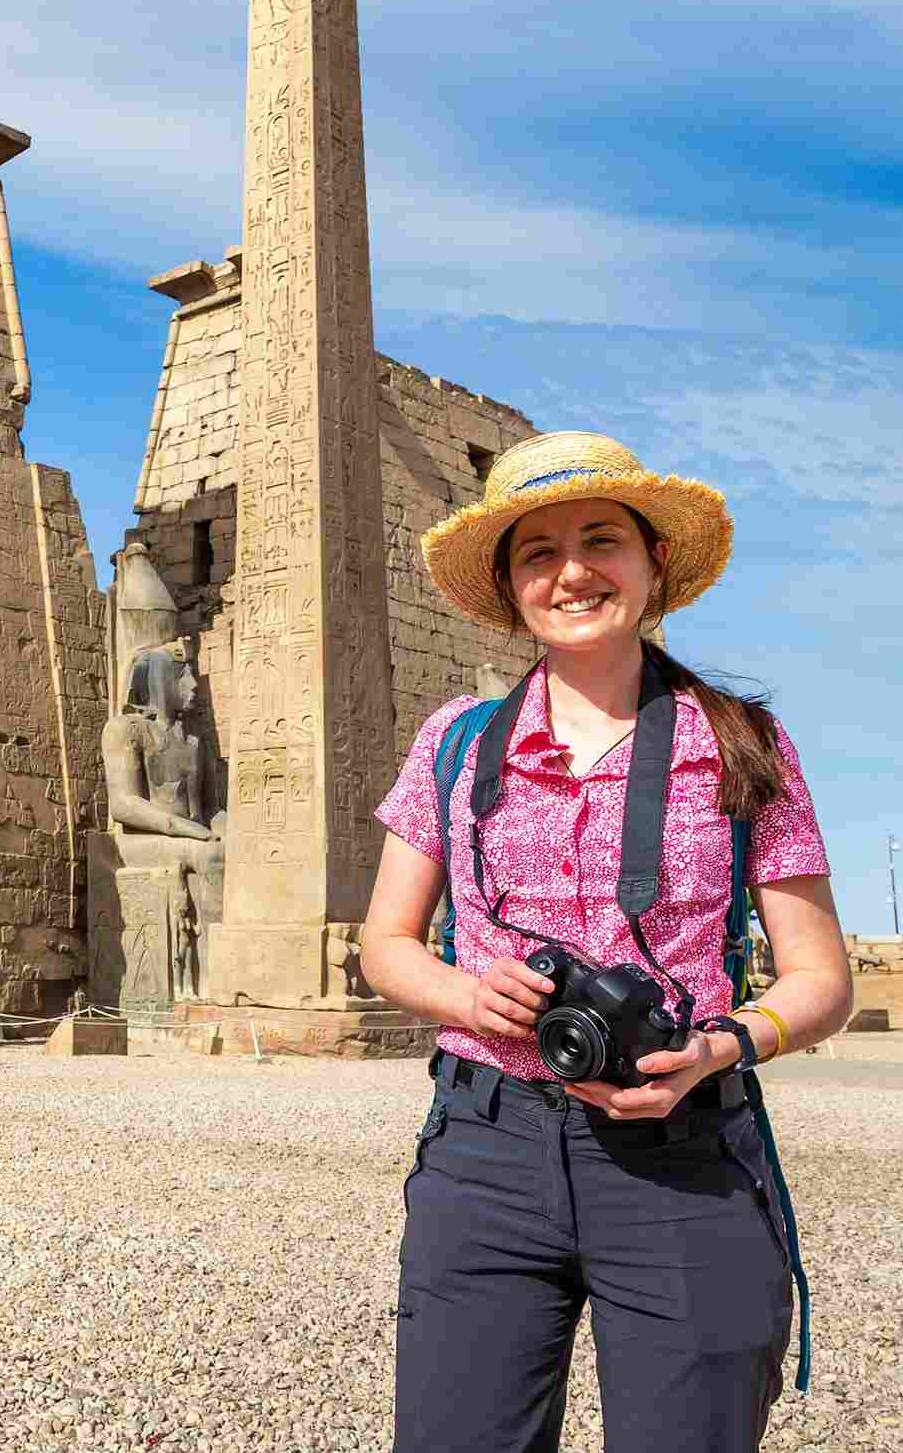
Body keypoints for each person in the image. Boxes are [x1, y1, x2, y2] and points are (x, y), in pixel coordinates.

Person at [359, 431, 851, 1453]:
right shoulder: (453, 742)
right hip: (486, 1152)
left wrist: (719, 1046)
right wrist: (465, 997)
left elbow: (820, 979)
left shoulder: (743, 741)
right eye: (537, 552)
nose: (572, 571)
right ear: (509, 585)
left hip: (685, 1156)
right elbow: (387, 945)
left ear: (653, 562)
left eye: (600, 541)